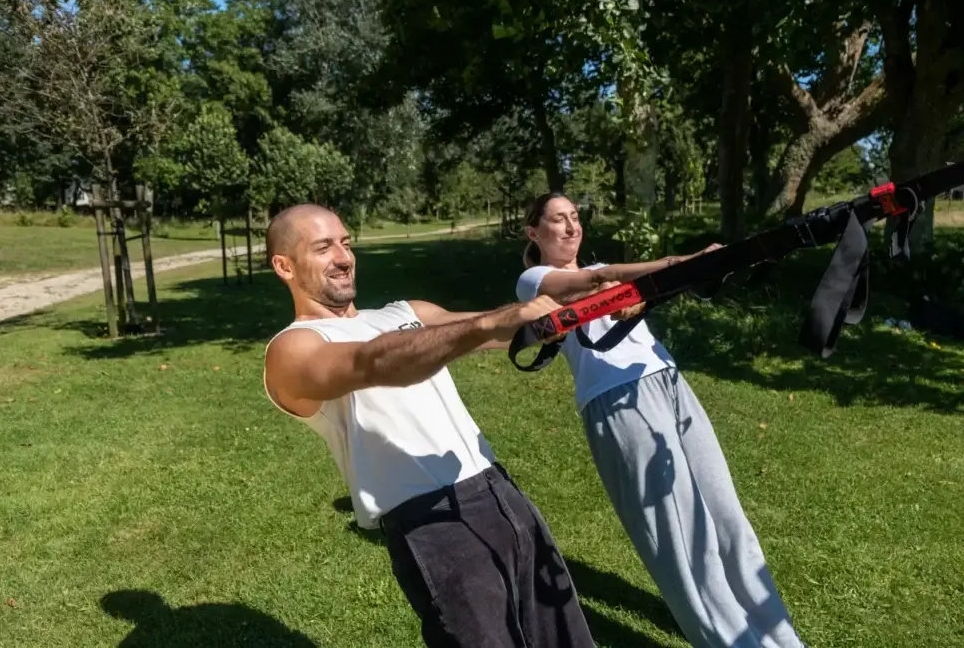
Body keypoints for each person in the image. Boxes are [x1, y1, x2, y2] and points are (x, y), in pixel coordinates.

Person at [261, 203, 596, 648]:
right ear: (283, 266)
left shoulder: (406, 310)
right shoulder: (293, 349)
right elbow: (376, 361)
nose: (343, 258)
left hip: (501, 493)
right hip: (433, 527)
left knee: (567, 639)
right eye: (323, 248)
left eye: (345, 243)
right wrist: (498, 320)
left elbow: (499, 330)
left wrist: (602, 302)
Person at [515, 192, 805, 648]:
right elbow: (600, 279)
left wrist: (691, 271)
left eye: (575, 218)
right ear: (534, 232)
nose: (571, 228)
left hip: (667, 380)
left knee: (730, 523)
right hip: (614, 399)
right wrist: (685, 260)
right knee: (687, 543)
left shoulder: (604, 270)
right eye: (558, 220)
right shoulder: (533, 281)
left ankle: (782, 639)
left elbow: (615, 283)